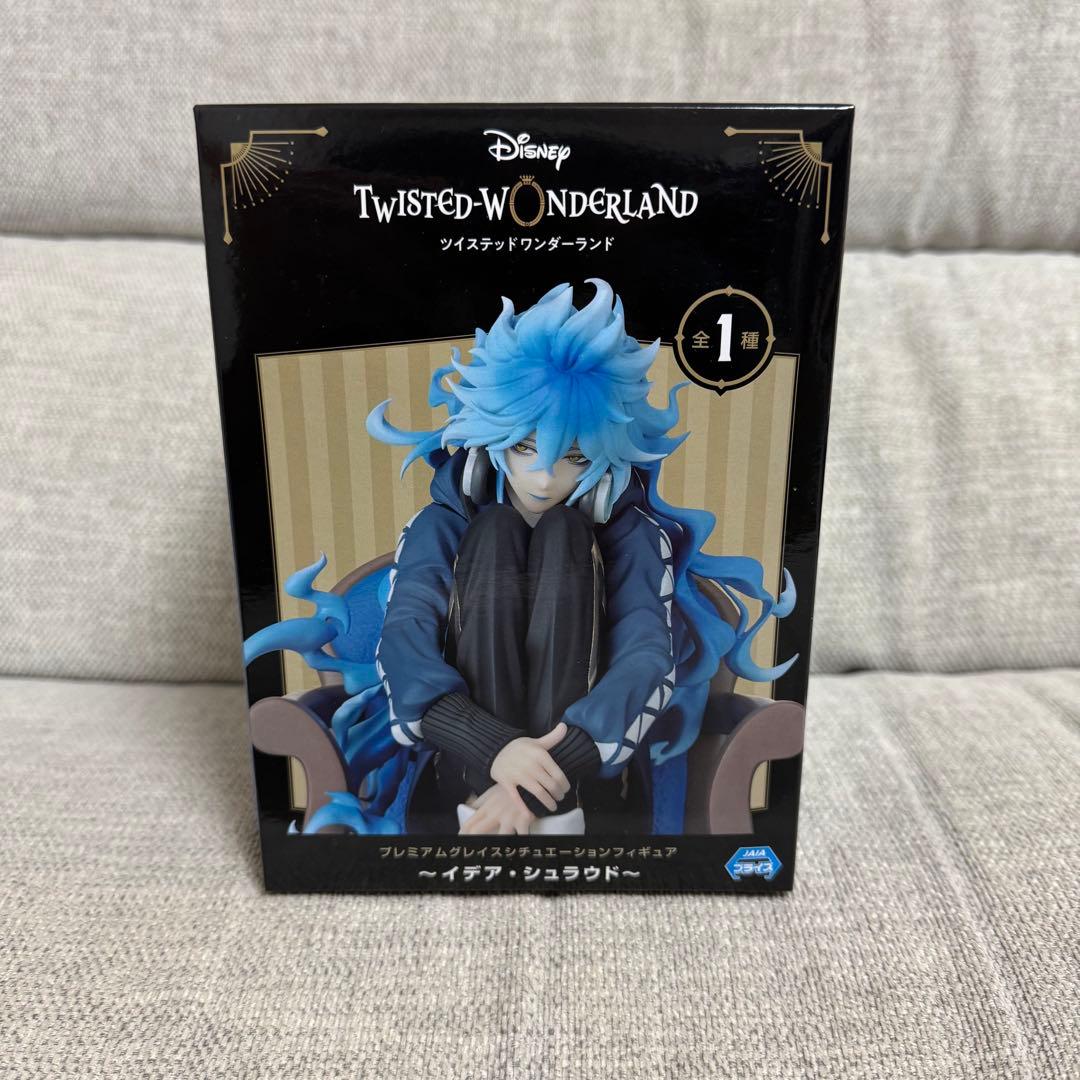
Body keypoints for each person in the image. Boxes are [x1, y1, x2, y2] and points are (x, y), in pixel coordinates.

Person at [350, 278, 797, 835]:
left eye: (576, 457)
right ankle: (486, 797)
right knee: (493, 530)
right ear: (491, 440)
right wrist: (493, 750)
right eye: (525, 448)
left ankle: (538, 808)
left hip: (589, 796)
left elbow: (645, 658)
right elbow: (405, 643)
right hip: (459, 786)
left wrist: (541, 780)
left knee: (565, 534)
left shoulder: (635, 537)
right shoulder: (438, 526)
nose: (544, 477)